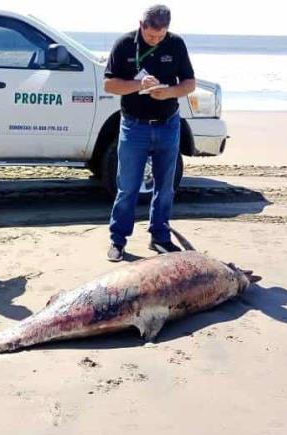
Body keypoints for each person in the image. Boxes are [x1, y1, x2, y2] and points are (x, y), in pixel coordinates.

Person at [103, 4, 196, 262]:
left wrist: (169, 92)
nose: (156, 40)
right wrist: (136, 85)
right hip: (134, 126)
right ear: (141, 25)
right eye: (151, 35)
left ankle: (160, 237)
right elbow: (109, 84)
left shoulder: (176, 44)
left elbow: (189, 83)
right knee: (128, 186)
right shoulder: (123, 44)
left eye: (160, 36)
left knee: (165, 186)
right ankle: (118, 240)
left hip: (168, 124)